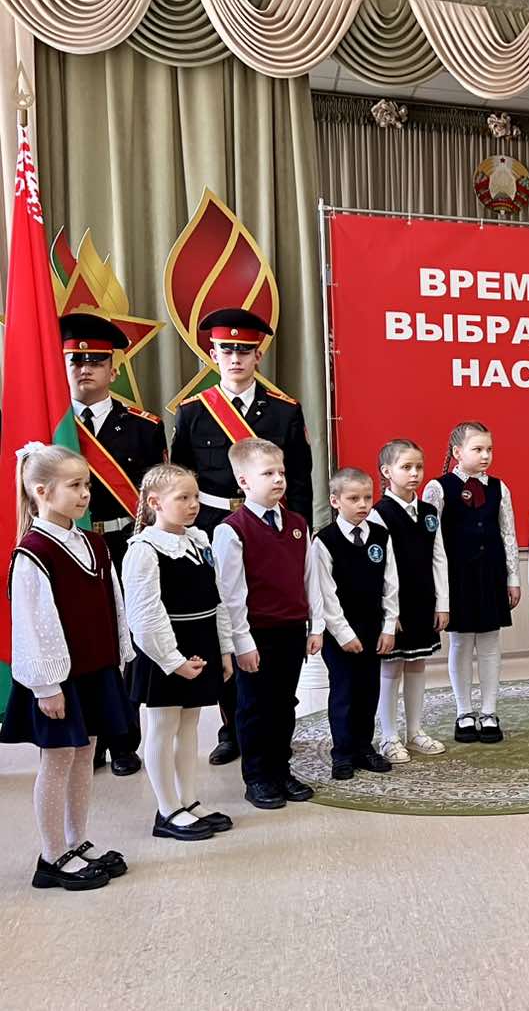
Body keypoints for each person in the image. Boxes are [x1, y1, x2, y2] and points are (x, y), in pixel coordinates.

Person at [172, 308, 314, 768]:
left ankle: (274, 727)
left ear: (258, 356)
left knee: (271, 626)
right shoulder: (193, 413)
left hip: (271, 529)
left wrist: (299, 533)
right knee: (226, 627)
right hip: (212, 526)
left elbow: (301, 480)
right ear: (213, 354)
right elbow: (182, 481)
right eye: (227, 349)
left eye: (244, 350)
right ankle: (232, 728)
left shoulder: (285, 410)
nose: (235, 357)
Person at [2, 444, 136, 890]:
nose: (85, 494)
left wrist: (120, 657)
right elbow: (32, 624)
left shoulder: (93, 543)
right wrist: (47, 686)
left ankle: (77, 841)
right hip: (59, 679)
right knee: (58, 761)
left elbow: (113, 604)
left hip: (96, 670)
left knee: (84, 757)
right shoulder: (33, 552)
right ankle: (51, 855)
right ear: (42, 491)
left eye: (87, 485)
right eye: (75, 485)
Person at [62, 312, 166, 777]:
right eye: (75, 360)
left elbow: (155, 494)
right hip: (67, 547)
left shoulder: (144, 426)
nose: (85, 368)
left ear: (114, 368)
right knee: (80, 641)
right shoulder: (51, 423)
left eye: (96, 361)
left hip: (125, 541)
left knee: (130, 642)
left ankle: (123, 740)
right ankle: (84, 738)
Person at [211, 438, 324, 810]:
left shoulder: (297, 524)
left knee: (284, 703)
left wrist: (316, 625)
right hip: (256, 634)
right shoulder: (232, 529)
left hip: (291, 628)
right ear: (244, 482)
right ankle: (258, 776)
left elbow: (309, 579)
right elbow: (231, 594)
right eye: (268, 473)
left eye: (281, 472)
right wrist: (242, 643)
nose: (278, 479)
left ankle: (281, 769)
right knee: (255, 707)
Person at [123, 464, 233, 842]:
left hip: (200, 641)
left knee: (189, 726)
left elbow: (217, 598)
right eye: (182, 498)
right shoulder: (144, 549)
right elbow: (144, 614)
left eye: (195, 497)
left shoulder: (199, 540)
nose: (193, 505)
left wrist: (225, 649)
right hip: (164, 650)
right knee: (163, 726)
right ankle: (167, 809)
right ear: (155, 503)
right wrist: (172, 661)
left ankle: (188, 801)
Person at [424, 421, 520, 745]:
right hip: (457, 577)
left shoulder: (499, 488)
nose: (485, 455)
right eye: (477, 449)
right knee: (462, 643)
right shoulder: (438, 488)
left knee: (490, 643)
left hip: (491, 573)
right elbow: (431, 539)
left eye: (489, 449)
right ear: (457, 452)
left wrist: (513, 577)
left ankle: (489, 711)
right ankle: (464, 711)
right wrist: (437, 588)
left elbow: (508, 534)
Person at [312, 468, 398, 781]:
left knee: (368, 690)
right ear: (335, 501)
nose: (362, 504)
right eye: (353, 498)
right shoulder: (324, 541)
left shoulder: (380, 536)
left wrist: (389, 626)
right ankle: (343, 753)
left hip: (373, 628)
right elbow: (325, 594)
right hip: (341, 633)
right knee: (344, 692)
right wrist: (344, 634)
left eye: (367, 497)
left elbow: (391, 584)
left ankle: (364, 747)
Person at [368, 440, 449, 761]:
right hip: (396, 608)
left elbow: (439, 558)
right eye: (406, 467)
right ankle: (389, 736)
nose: (414, 473)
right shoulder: (378, 514)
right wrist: (389, 614)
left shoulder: (429, 513)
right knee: (391, 667)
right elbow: (379, 570)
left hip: (424, 602)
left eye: (418, 467)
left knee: (417, 663)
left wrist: (442, 603)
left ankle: (414, 731)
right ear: (387, 472)